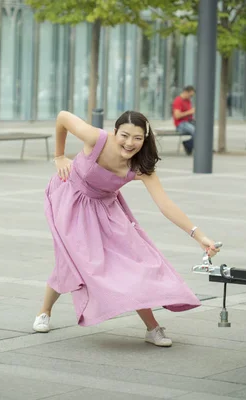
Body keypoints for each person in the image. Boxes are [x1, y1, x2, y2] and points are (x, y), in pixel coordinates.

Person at [32, 110, 221, 347]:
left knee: (135, 262)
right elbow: (61, 117)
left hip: (106, 210)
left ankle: (152, 328)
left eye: (137, 138)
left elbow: (165, 204)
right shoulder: (97, 139)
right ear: (114, 132)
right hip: (71, 200)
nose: (130, 143)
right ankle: (44, 312)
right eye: (125, 135)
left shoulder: (141, 167)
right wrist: (59, 156)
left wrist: (199, 235)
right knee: (71, 261)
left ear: (145, 139)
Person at [172, 86, 196, 155]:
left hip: (188, 122)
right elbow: (177, 116)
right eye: (190, 95)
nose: (191, 97)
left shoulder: (188, 101)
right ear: (185, 92)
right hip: (181, 124)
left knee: (203, 129)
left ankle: (188, 144)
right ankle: (188, 145)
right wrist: (190, 112)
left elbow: (188, 114)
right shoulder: (178, 100)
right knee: (196, 131)